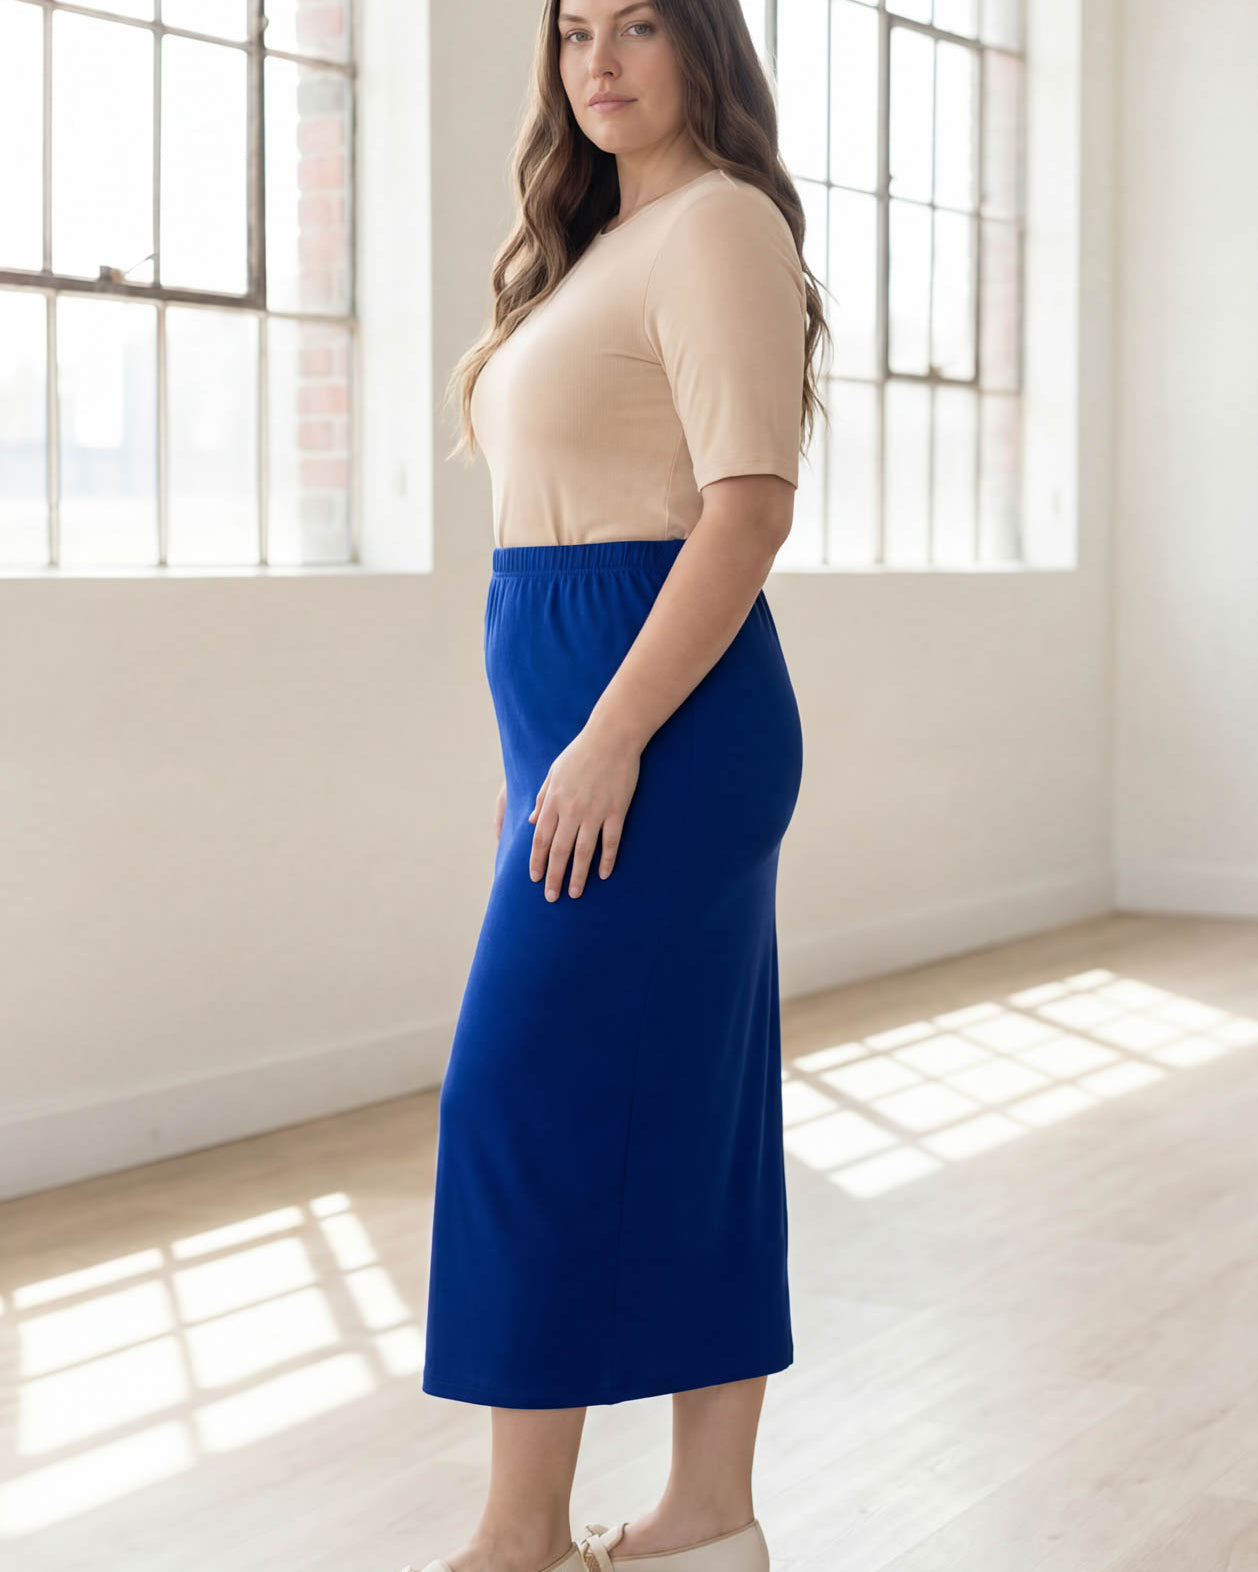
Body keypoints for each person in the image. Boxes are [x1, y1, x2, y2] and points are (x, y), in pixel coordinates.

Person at [408, 3, 829, 1570]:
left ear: (699, 44)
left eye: (638, 22)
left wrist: (605, 737)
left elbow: (746, 508)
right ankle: (705, 1525)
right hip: (587, 724)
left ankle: (519, 1541)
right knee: (685, 1113)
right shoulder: (596, 244)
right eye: (574, 27)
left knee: (515, 1099)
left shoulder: (717, 224)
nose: (598, 57)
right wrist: (559, 739)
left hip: (659, 726)